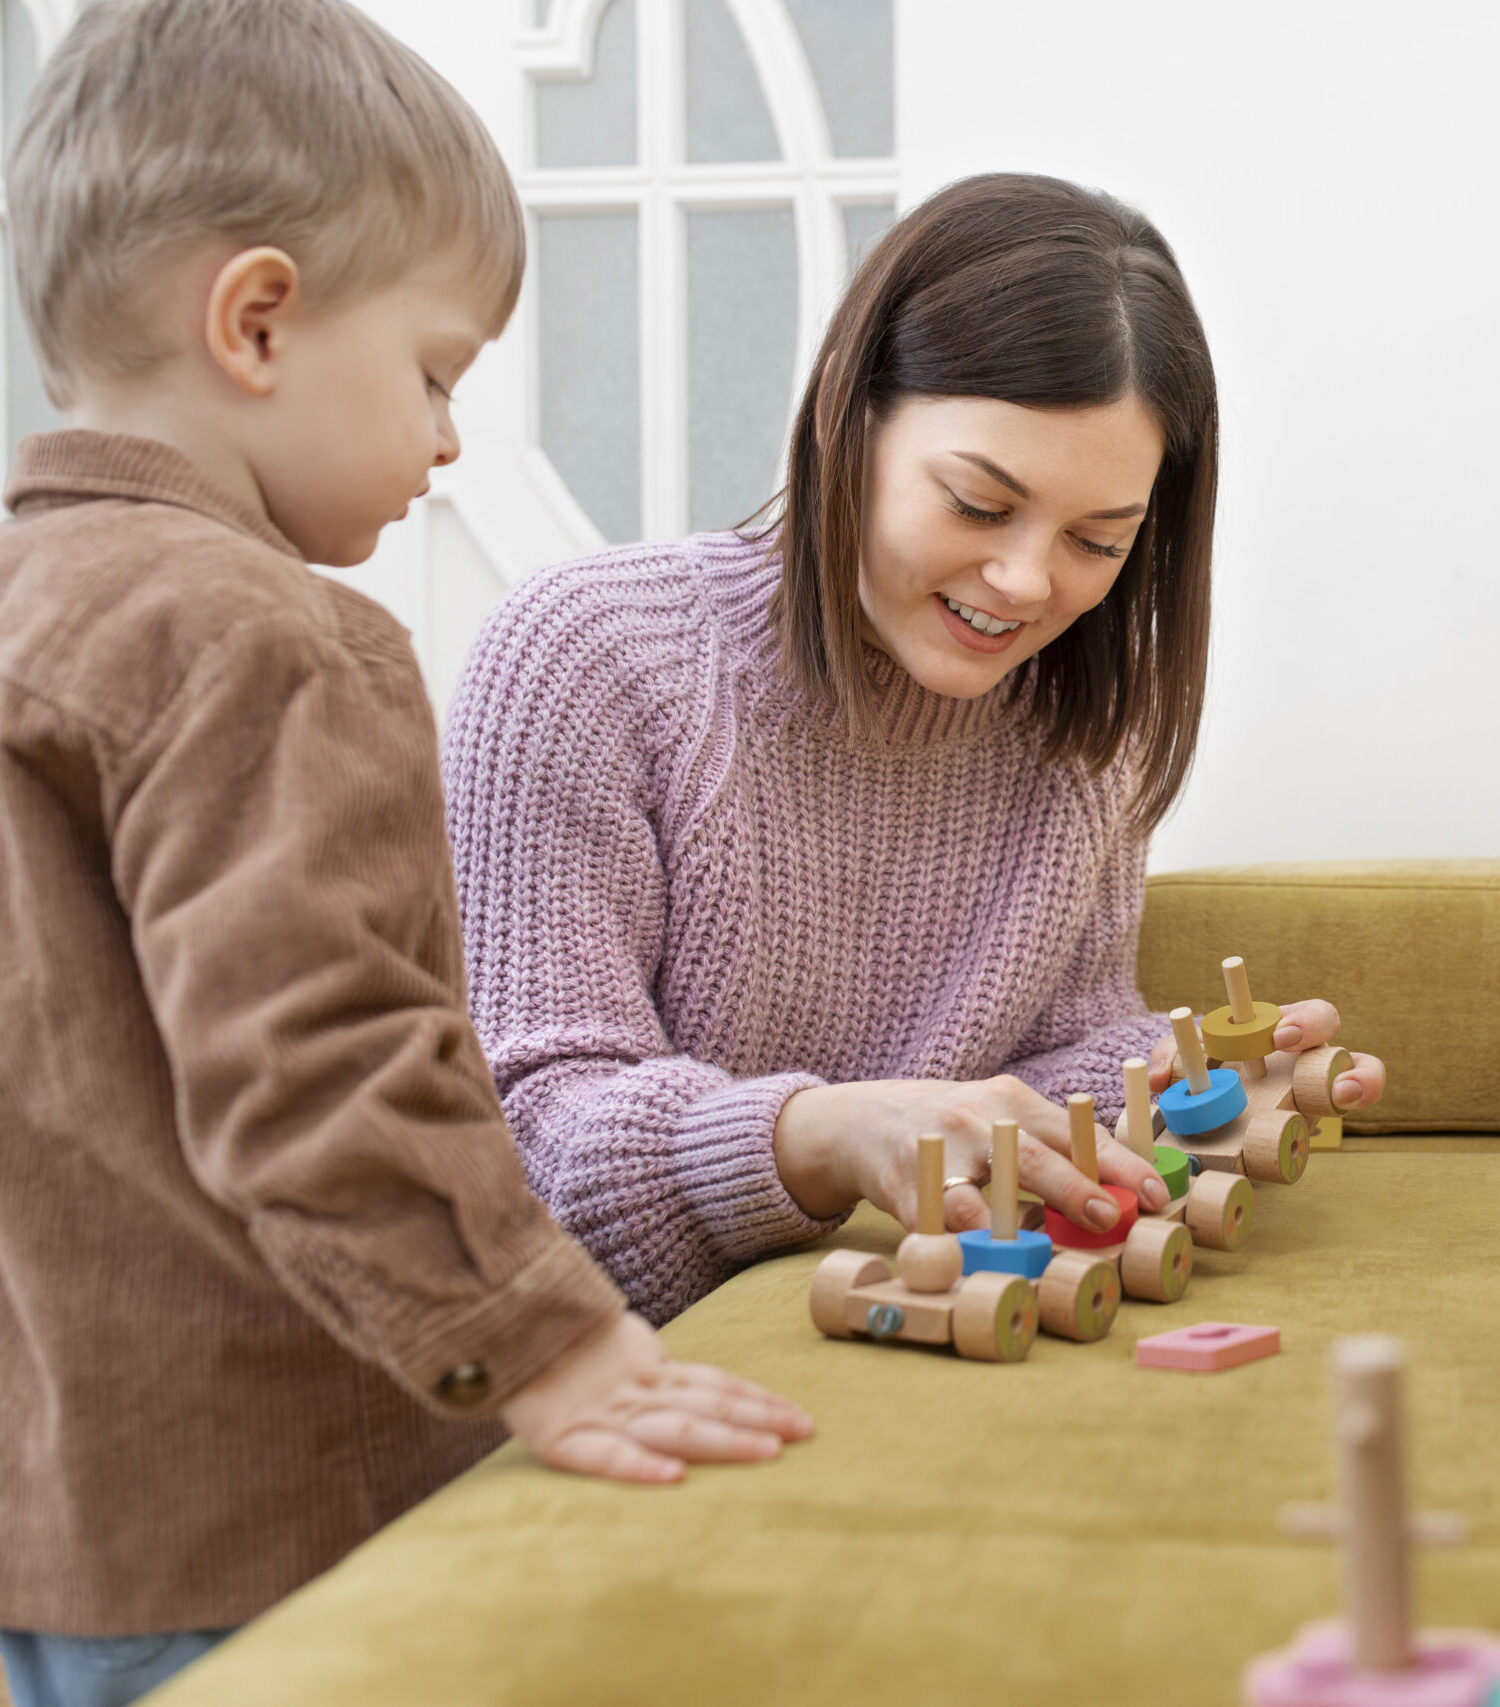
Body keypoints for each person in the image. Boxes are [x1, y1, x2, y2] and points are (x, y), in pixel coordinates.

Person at [0, 5, 809, 1703]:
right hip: (271, 1511)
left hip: (62, 1515)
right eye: (436, 370)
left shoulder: (33, 612)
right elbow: (322, 1056)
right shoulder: (270, 637)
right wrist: (555, 1339)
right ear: (260, 319)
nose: (450, 439)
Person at [445, 172, 1386, 1325]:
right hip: (596, 1378)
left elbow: (1043, 1061)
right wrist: (824, 1135)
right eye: (979, 506)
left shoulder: (1084, 734)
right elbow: (524, 1141)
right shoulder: (590, 658)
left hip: (918, 1324)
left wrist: (1187, 1082)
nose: (1027, 584)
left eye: (1097, 541)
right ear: (852, 417)